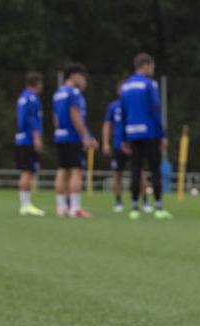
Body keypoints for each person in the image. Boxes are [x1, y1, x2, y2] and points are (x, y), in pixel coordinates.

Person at [119, 53, 172, 220]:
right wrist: (163, 134)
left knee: (135, 170)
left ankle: (134, 207)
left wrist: (123, 136)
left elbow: (123, 113)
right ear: (146, 65)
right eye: (152, 66)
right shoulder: (150, 84)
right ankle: (158, 207)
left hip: (132, 133)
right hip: (150, 133)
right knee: (155, 169)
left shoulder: (126, 86)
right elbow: (155, 110)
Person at [52, 64, 97, 218]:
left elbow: (55, 118)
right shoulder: (74, 93)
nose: (84, 80)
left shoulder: (58, 93)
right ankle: (75, 208)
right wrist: (85, 136)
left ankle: (61, 207)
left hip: (60, 135)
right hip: (72, 136)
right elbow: (75, 115)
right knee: (76, 171)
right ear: (73, 75)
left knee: (62, 170)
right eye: (82, 76)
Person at [14, 72, 45, 216]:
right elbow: (32, 120)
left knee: (25, 172)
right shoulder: (32, 98)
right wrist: (37, 138)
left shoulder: (22, 97)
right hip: (28, 139)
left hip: (20, 138)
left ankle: (24, 204)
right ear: (37, 83)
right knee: (28, 171)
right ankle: (26, 205)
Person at [101, 84, 129, 212]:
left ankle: (144, 201)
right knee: (117, 173)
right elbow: (107, 125)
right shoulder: (113, 106)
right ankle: (118, 202)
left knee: (140, 173)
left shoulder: (134, 104)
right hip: (118, 145)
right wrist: (106, 143)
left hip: (134, 144)